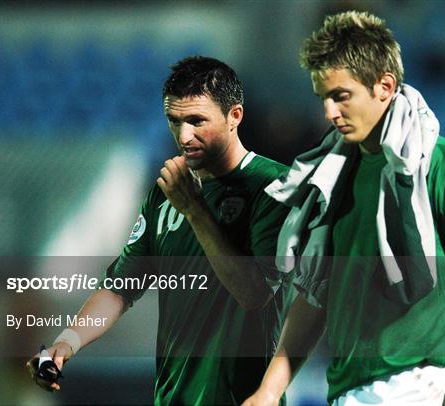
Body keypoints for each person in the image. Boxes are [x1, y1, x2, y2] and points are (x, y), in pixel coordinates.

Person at [243, 10, 445, 406]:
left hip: (417, 386)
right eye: (323, 98)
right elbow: (315, 295)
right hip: (348, 388)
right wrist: (270, 388)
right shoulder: (334, 176)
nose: (329, 113)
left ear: (384, 85)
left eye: (340, 96)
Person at [27, 56, 293, 405]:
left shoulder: (275, 186)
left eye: (197, 121)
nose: (184, 136)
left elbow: (255, 295)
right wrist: (67, 343)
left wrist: (195, 211)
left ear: (235, 117)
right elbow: (121, 287)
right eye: (174, 121)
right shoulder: (164, 193)